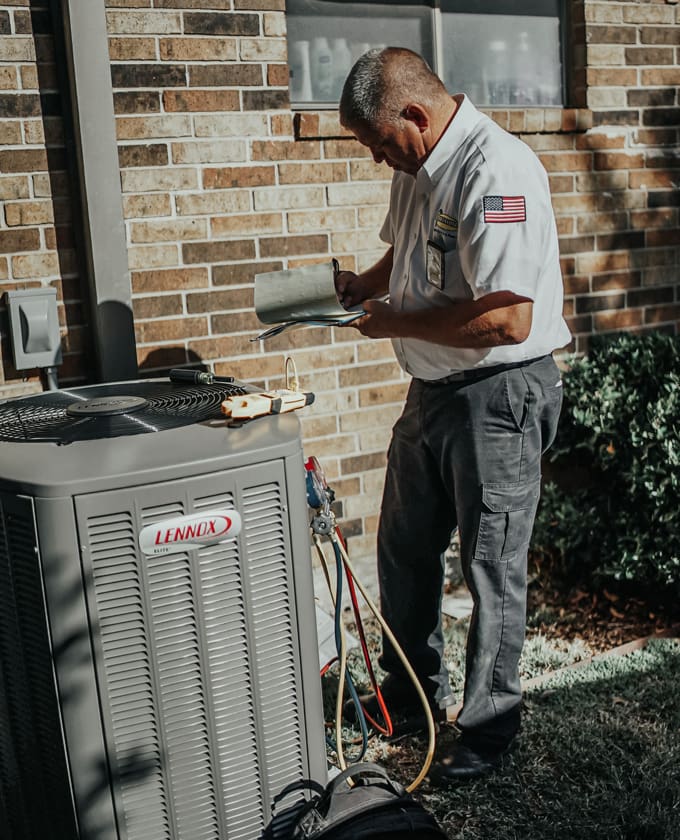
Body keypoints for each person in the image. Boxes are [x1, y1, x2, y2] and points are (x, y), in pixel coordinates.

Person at [335, 47, 571, 784]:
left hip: (499, 394)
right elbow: (402, 259)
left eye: (379, 143)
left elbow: (508, 319)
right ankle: (410, 698)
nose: (378, 160)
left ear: (415, 113)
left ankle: (489, 730)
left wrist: (396, 324)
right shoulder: (417, 168)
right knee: (403, 548)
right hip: (432, 393)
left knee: (490, 564)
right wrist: (355, 287)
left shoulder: (497, 172)